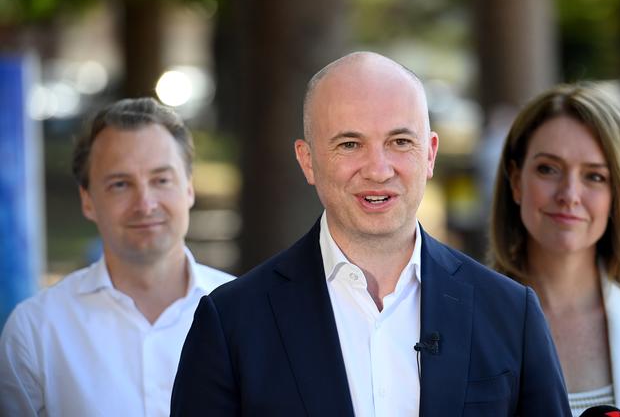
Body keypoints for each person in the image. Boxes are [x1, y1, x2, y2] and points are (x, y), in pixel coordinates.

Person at [171, 51, 571, 416]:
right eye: (350, 144)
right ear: (307, 162)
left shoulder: (510, 313)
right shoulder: (231, 323)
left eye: (399, 141)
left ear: (429, 154)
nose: (378, 169)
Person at [0, 98, 234, 417]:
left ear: (188, 188)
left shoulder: (248, 315)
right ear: (88, 201)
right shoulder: (35, 331)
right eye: (121, 184)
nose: (145, 203)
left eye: (161, 180)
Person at [489, 84, 620, 416]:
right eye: (548, 169)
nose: (569, 194)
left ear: (618, 194)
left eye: (595, 176)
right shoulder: (461, 318)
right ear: (516, 181)